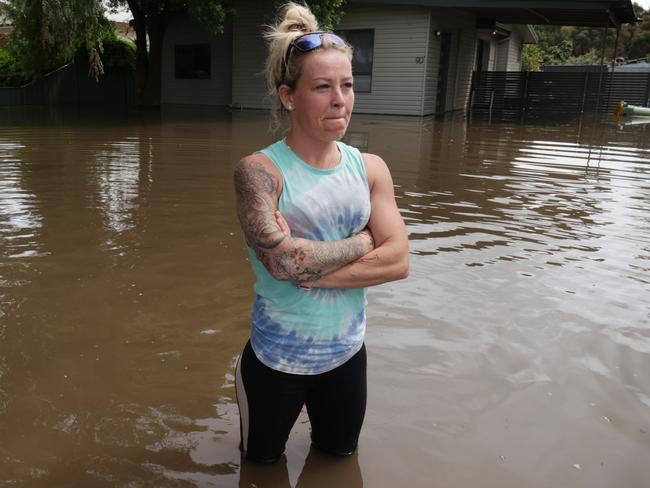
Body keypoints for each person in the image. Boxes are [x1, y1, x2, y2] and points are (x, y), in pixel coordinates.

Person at [233, 2, 409, 464]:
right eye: (322, 87)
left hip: (347, 358)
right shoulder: (259, 172)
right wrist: (365, 242)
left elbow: (400, 262)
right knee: (260, 469)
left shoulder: (371, 169)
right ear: (289, 96)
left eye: (347, 85)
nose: (340, 100)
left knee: (339, 460)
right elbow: (285, 263)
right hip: (275, 363)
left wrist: (312, 267)